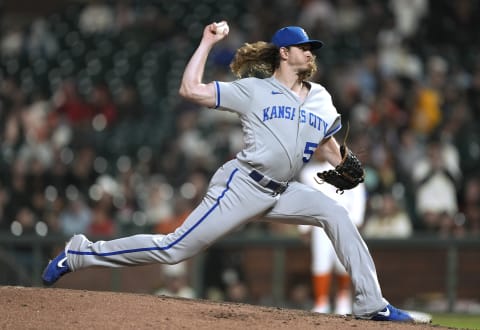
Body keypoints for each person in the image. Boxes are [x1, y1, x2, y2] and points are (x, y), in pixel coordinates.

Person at [42, 22, 430, 323]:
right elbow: (190, 89)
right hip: (243, 184)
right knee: (175, 248)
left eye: (313, 49)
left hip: (284, 190)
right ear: (284, 52)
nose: (311, 53)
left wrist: (345, 163)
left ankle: (370, 304)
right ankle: (82, 253)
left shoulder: (321, 97)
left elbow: (330, 150)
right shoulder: (254, 89)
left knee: (337, 215)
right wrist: (207, 41)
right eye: (304, 48)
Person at [298, 151, 366, 315]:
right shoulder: (307, 172)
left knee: (343, 263)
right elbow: (303, 200)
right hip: (319, 223)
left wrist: (357, 219)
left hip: (344, 220)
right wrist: (304, 227)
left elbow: (358, 194)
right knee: (320, 262)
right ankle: (321, 302)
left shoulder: (348, 169)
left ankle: (343, 299)